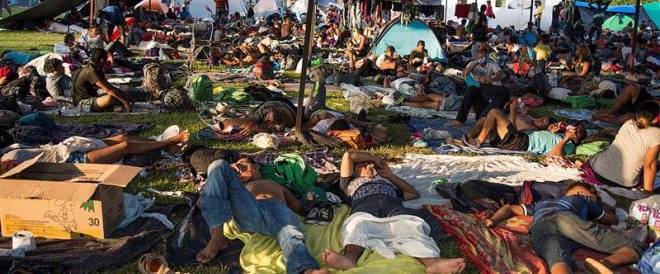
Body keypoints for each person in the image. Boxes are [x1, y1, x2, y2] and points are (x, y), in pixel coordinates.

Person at [321, 151, 466, 273]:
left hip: (393, 207)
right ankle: (349, 258)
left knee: (410, 226)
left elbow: (413, 194)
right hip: (365, 208)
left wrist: (390, 176)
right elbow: (348, 156)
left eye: (370, 165)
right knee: (356, 226)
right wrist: (374, 158)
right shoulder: (347, 184)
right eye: (363, 165)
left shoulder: (385, 183)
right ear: (353, 172)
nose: (369, 166)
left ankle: (431, 262)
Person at [196, 159, 329, 274]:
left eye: (243, 165)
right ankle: (217, 237)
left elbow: (300, 208)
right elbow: (202, 203)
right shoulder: (238, 189)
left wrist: (311, 198)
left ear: (256, 166)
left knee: (291, 234)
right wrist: (224, 177)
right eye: (236, 168)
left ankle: (306, 269)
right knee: (218, 165)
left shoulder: (276, 185)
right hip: (248, 211)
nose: (240, 169)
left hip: (277, 211)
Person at [484, 181, 643, 274]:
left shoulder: (541, 204)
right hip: (567, 220)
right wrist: (610, 212)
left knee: (557, 258)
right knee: (635, 245)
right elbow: (611, 219)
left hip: (540, 228)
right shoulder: (584, 200)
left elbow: (510, 208)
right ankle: (606, 263)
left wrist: (492, 220)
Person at [2, 129, 190, 165]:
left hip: (66, 147)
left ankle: (166, 146)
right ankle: (169, 142)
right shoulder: (7, 164)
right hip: (71, 162)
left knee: (123, 136)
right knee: (125, 146)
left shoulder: (7, 152)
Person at [587, 101, 660, 192]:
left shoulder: (628, 123)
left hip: (598, 171)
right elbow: (649, 165)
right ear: (656, 119)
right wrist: (648, 193)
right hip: (622, 183)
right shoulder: (657, 134)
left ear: (637, 114)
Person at [459, 106, 584, 155]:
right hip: (517, 138)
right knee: (484, 120)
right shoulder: (552, 133)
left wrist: (567, 137)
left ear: (578, 139)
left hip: (522, 142)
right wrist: (553, 129)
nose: (575, 130)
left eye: (579, 132)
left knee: (494, 112)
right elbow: (514, 130)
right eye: (576, 128)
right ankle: (467, 140)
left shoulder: (569, 145)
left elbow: (556, 154)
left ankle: (477, 142)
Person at [449, 44, 508, 126]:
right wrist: (476, 62)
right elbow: (464, 73)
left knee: (503, 90)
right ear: (477, 54)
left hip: (489, 93)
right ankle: (460, 120)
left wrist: (492, 79)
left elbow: (502, 74)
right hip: (479, 95)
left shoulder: (491, 63)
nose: (482, 55)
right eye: (480, 52)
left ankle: (485, 116)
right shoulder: (472, 64)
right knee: (471, 89)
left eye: (484, 53)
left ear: (487, 54)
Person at [72, 48, 132, 113]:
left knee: (119, 95)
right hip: (82, 103)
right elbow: (108, 89)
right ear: (102, 60)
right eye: (106, 60)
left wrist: (124, 94)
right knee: (111, 98)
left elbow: (109, 86)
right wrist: (125, 102)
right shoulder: (91, 72)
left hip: (92, 98)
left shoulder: (96, 68)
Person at [592, 83, 656, 125]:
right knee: (632, 87)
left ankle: (608, 118)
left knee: (629, 117)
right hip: (651, 102)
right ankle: (611, 111)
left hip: (650, 114)